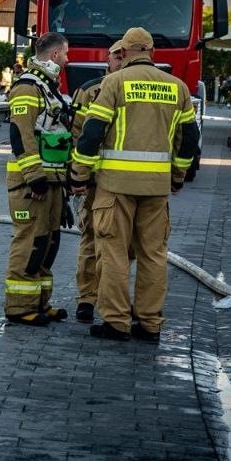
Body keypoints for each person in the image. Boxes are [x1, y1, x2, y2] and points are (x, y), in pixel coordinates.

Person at [69, 27, 199, 342]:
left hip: (115, 186)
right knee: (154, 254)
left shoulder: (114, 83)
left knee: (113, 252)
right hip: (156, 189)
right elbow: (189, 140)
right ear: (152, 52)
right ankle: (150, 323)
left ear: (123, 52)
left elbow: (92, 133)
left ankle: (116, 321)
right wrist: (177, 177)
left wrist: (79, 175)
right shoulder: (178, 87)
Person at [2, 32, 72, 326]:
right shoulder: (27, 88)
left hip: (51, 182)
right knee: (30, 243)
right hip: (32, 183)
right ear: (55, 55)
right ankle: (19, 308)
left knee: (48, 243)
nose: (68, 60)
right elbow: (21, 136)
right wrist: (35, 178)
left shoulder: (48, 88)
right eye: (65, 54)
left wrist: (63, 186)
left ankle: (40, 302)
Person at [69, 40, 126, 323]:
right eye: (116, 57)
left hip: (123, 182)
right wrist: (78, 174)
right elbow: (77, 133)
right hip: (96, 181)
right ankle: (87, 299)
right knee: (91, 239)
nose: (120, 61)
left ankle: (112, 301)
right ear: (108, 60)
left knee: (119, 245)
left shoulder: (128, 88)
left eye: (124, 56)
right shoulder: (90, 90)